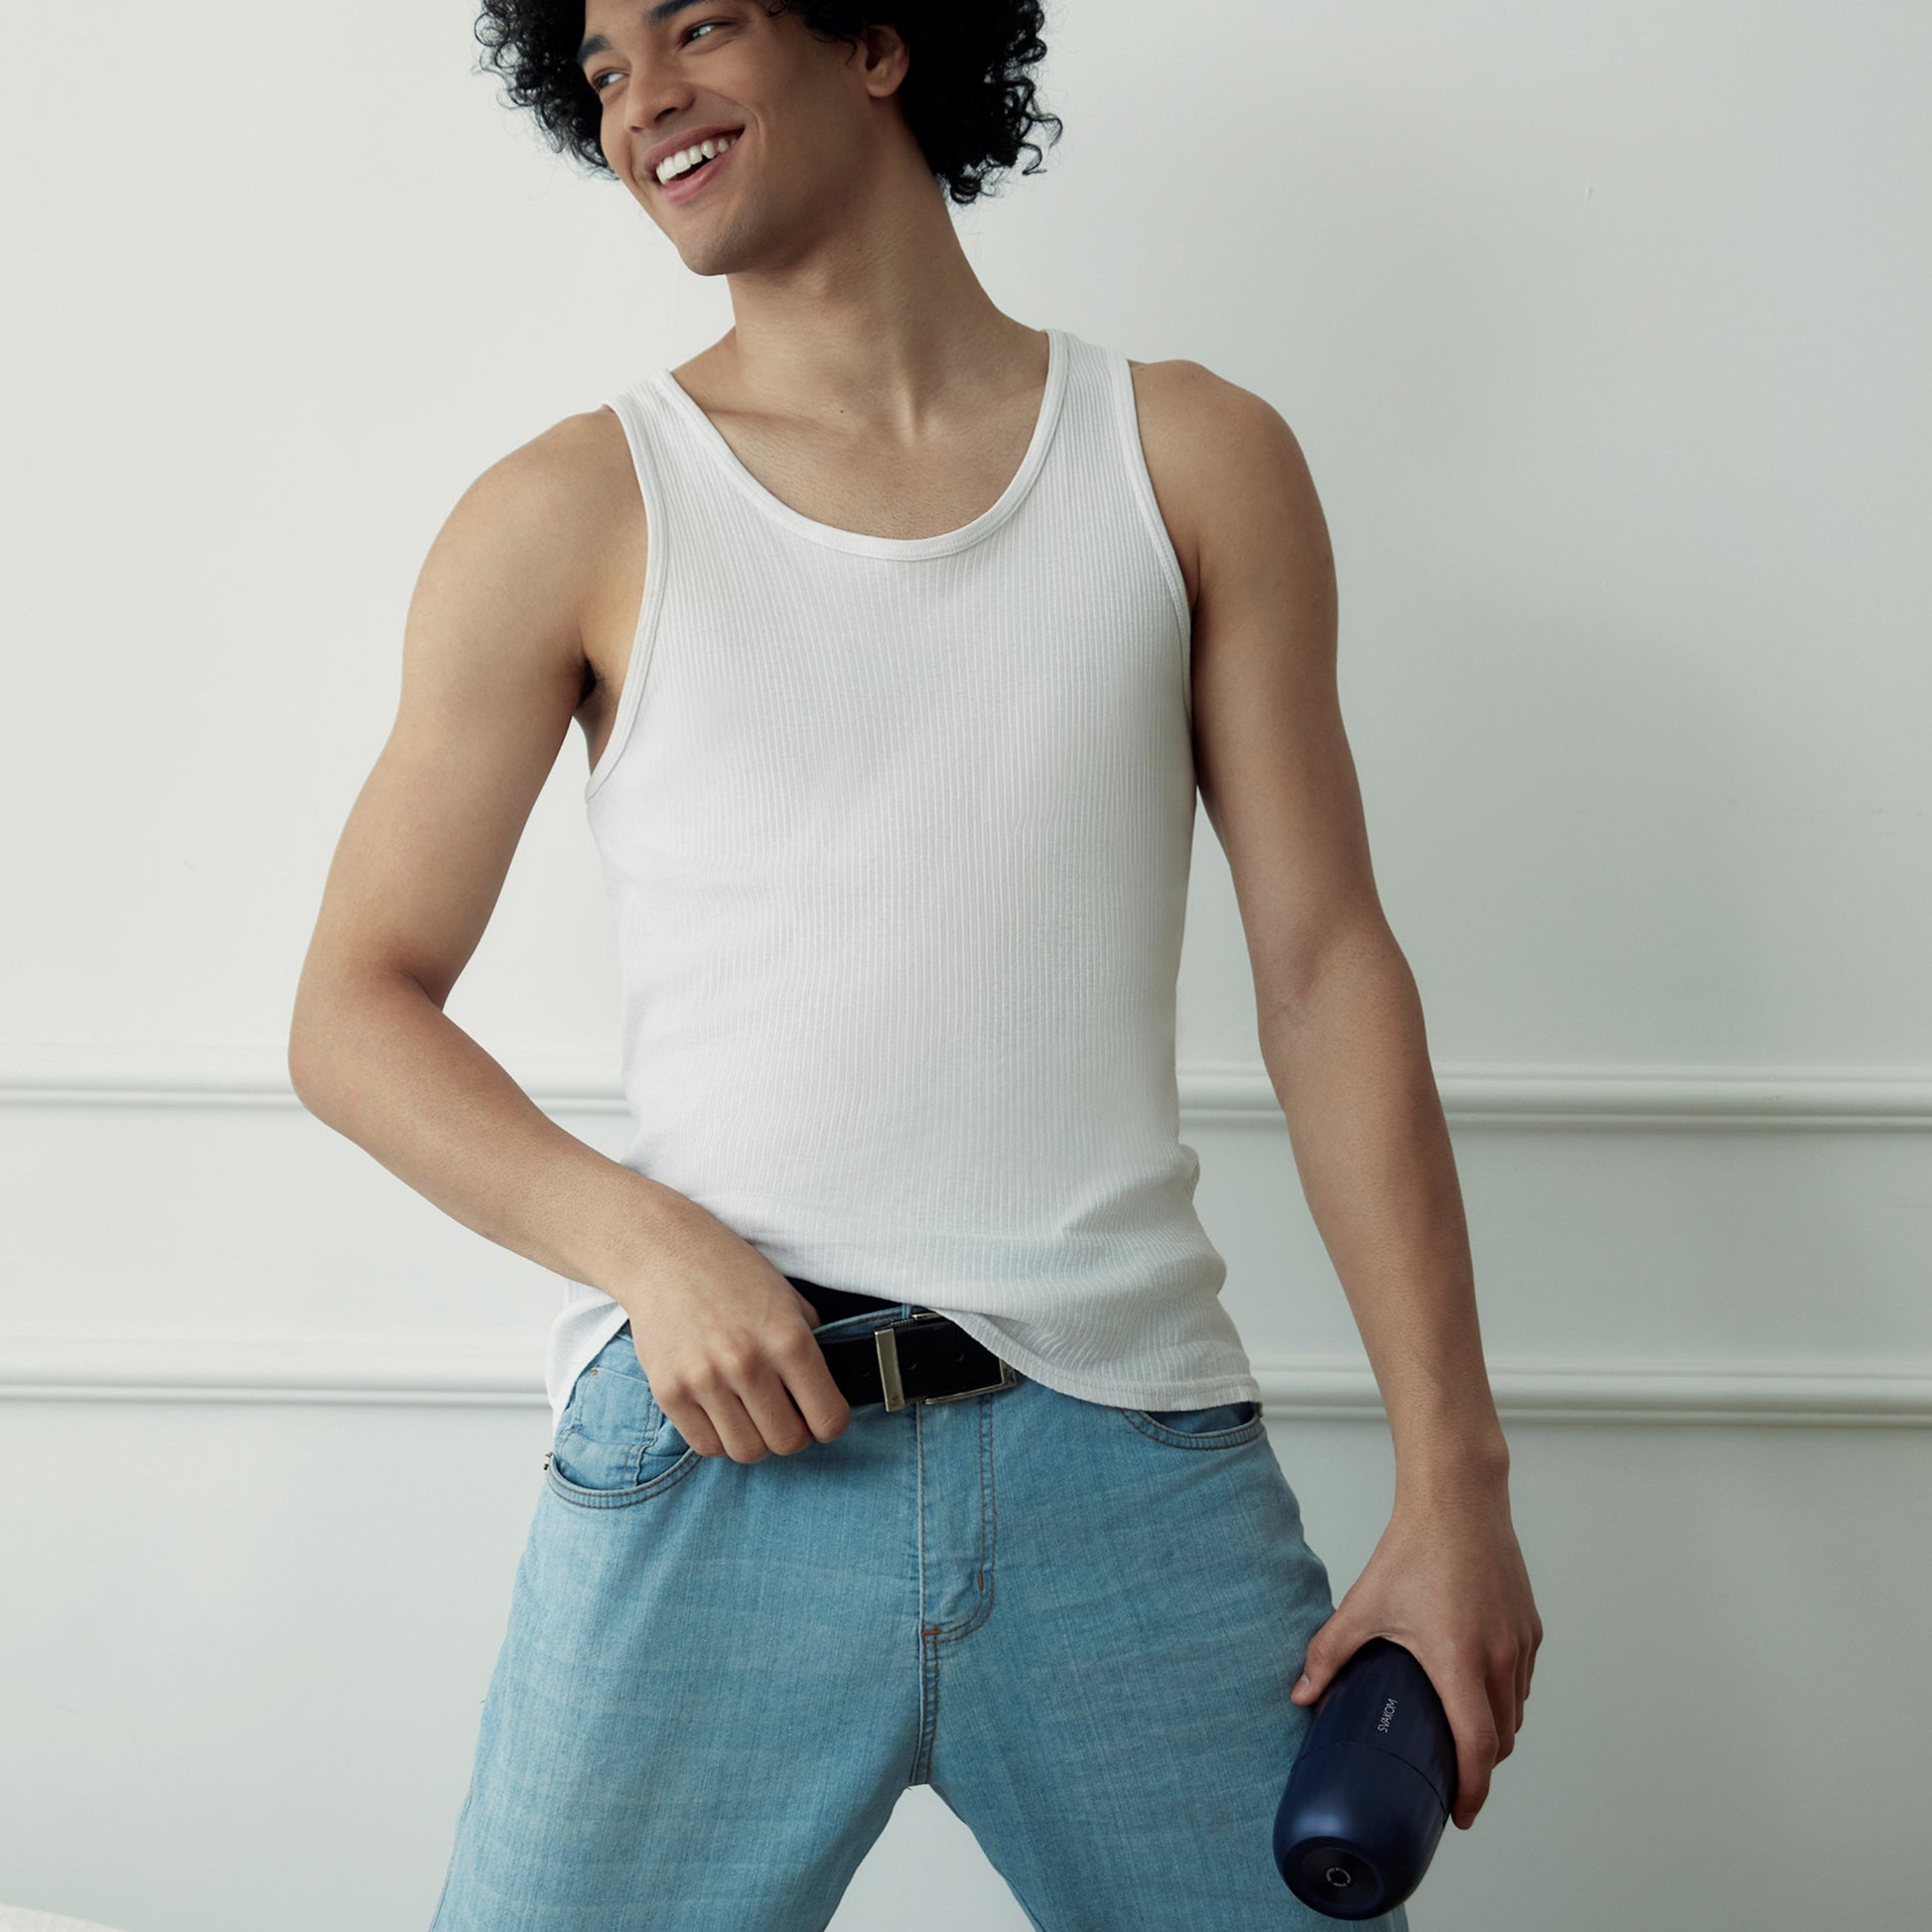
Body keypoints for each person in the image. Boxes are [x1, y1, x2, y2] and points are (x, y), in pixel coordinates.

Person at [287, 2, 1543, 1925]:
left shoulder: (1191, 458)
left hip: (1129, 1462)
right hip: (718, 1451)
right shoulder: (569, 509)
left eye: (698, 23)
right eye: (603, 65)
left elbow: (1324, 971)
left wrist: (1456, 1491)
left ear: (877, 40)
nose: (643, 99)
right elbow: (352, 1006)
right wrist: (645, 1245)